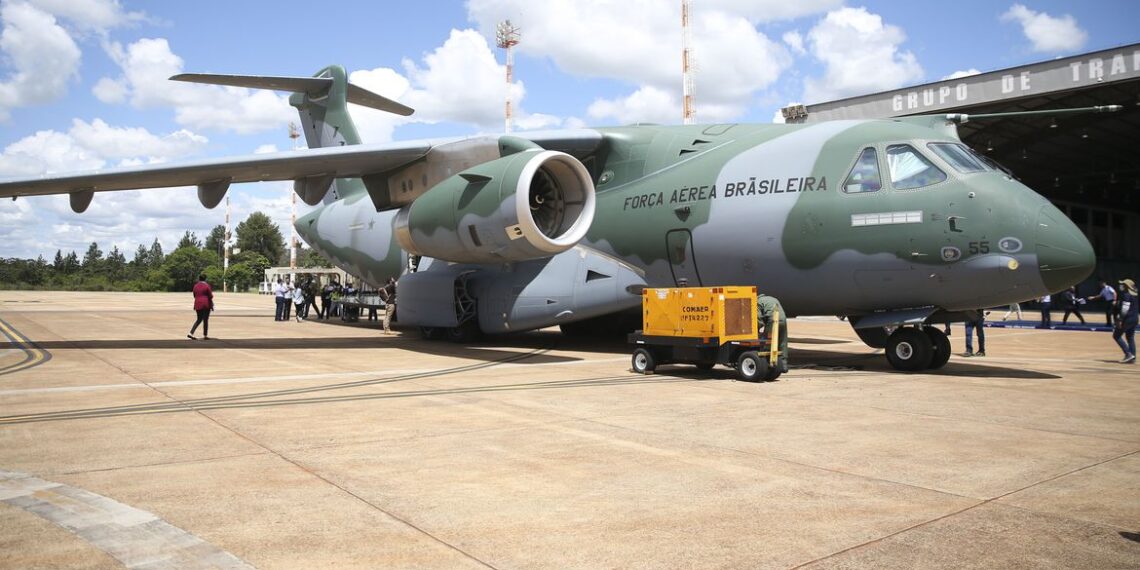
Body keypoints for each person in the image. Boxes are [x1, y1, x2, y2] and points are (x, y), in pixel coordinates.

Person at [756, 293, 788, 372]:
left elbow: (759, 320)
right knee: (782, 342)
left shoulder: (758, 302)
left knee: (766, 342)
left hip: (772, 320)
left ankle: (766, 364)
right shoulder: (772, 298)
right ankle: (784, 366)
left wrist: (756, 331)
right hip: (783, 320)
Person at [1112, 278, 1137, 364]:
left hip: (1127, 319)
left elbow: (1125, 309)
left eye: (1123, 284)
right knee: (1130, 337)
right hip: (1135, 319)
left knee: (1116, 336)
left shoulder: (1126, 295)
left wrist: (1120, 319)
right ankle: (1132, 357)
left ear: (1127, 286)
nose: (1121, 286)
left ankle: (1128, 354)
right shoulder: (1134, 295)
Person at [188, 274, 214, 340]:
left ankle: (191, 333)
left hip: (197, 303)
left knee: (199, 319)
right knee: (205, 320)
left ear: (199, 279)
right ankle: (205, 335)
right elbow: (210, 296)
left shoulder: (195, 286)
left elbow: (194, 295)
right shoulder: (206, 285)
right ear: (205, 279)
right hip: (206, 304)